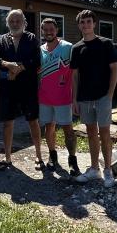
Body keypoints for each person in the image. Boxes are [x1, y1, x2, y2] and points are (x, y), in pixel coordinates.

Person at [70, 9, 117, 187]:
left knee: (105, 133)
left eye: (89, 21)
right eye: (82, 22)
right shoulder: (76, 48)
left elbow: (114, 68)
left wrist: (110, 93)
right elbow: (74, 76)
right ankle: (93, 169)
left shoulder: (106, 44)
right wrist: (74, 99)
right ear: (79, 25)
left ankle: (108, 170)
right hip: (84, 98)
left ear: (94, 23)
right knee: (91, 133)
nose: (86, 25)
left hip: (103, 97)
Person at [0, 9, 43, 169]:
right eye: (12, 21)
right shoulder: (3, 39)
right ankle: (8, 158)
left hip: (28, 87)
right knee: (8, 122)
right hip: (9, 87)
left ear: (24, 22)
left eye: (18, 21)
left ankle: (39, 156)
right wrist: (7, 65)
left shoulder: (31, 38)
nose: (15, 24)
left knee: (33, 121)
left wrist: (19, 68)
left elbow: (36, 60)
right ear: (8, 23)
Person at [38, 17, 79, 175]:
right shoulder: (40, 49)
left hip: (63, 98)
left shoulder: (68, 47)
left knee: (68, 129)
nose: (49, 32)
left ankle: (72, 160)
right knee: (49, 127)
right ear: (42, 31)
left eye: (51, 29)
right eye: (46, 29)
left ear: (57, 30)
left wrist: (75, 97)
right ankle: (52, 156)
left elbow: (76, 74)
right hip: (45, 98)